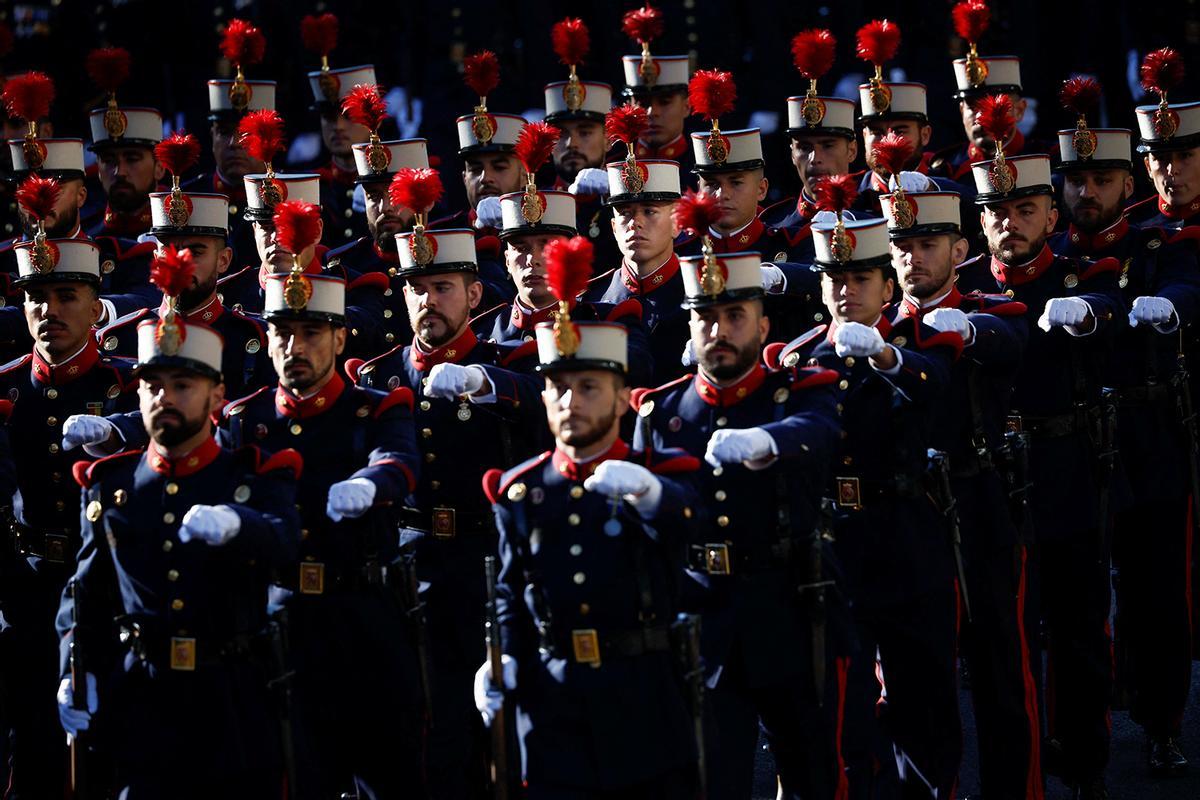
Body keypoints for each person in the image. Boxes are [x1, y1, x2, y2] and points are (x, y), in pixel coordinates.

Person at [476, 242, 702, 798]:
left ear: (624, 399)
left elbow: (691, 531)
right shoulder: (522, 491)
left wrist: (653, 496)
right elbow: (510, 591)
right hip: (553, 704)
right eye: (557, 388)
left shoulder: (657, 474)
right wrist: (502, 654)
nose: (569, 401)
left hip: (642, 695)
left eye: (588, 388)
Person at [54, 310, 302, 799]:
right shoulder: (113, 485)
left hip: (230, 701)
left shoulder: (249, 477)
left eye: (182, 385)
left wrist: (239, 524)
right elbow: (85, 593)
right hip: (142, 700)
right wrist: (72, 668)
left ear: (216, 395)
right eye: (153, 386)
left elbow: (286, 544)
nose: (164, 398)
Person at [634, 246, 848, 799]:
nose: (720, 330)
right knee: (713, 776)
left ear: (764, 324)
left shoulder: (796, 391)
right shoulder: (664, 412)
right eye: (706, 317)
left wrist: (768, 441)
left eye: (735, 317)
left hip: (786, 606)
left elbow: (820, 430)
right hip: (703, 619)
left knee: (809, 770)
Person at [351, 225, 546, 798]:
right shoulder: (381, 376)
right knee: (416, 732)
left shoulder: (506, 364)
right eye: (417, 289)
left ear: (474, 296)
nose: (428, 301)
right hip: (408, 571)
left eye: (443, 286)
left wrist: (490, 383)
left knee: (491, 745)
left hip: (483, 567)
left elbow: (540, 404)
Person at [218, 260, 424, 799]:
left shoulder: (373, 407)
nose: (295, 346)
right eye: (283, 333)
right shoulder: (245, 419)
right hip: (281, 615)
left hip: (362, 608)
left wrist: (372, 485)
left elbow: (399, 461)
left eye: (311, 333)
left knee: (389, 769)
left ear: (338, 338)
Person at [775, 210, 963, 798]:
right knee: (845, 711)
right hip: (835, 549)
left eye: (861, 279)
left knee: (924, 701)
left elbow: (939, 388)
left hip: (908, 539)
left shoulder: (915, 345)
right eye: (835, 279)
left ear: (889, 287)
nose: (846, 291)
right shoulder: (798, 360)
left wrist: (887, 357)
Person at [957, 150, 1124, 800]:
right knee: (1007, 644)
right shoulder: (969, 287)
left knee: (1080, 630)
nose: (1010, 223)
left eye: (1025, 208)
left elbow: (1112, 300)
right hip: (995, 484)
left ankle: (1086, 763)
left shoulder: (1080, 278)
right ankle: (1022, 776)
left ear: (1052, 215)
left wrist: (1092, 313)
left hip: (1067, 472)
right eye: (996, 210)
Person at [1049, 87, 1200, 776]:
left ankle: (1163, 720)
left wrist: (1165, 307)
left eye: (1102, 178)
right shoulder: (1048, 252)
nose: (1088, 191)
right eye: (1076, 179)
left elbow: (1188, 286)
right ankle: (1082, 739)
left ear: (1127, 183)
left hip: (1147, 431)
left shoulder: (1156, 242)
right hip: (1073, 441)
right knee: (1076, 600)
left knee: (1155, 589)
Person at [882, 176, 1041, 800]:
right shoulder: (875, 324)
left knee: (1003, 671)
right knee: (918, 683)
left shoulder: (987, 306)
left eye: (928, 243)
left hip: (978, 508)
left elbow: (1007, 338)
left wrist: (966, 330)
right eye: (902, 245)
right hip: (906, 517)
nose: (913, 258)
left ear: (959, 247)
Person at [0, 234, 137, 798]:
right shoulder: (8, 386)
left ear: (94, 304)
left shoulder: (125, 385)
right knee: (30, 749)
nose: (48, 311)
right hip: (25, 588)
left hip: (101, 592)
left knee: (103, 754)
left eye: (65, 296)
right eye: (36, 297)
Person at [470, 186, 653, 387]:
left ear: (570, 256)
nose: (532, 260)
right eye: (521, 249)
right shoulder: (483, 333)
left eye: (548, 247)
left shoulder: (608, 319)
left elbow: (640, 369)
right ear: (507, 260)